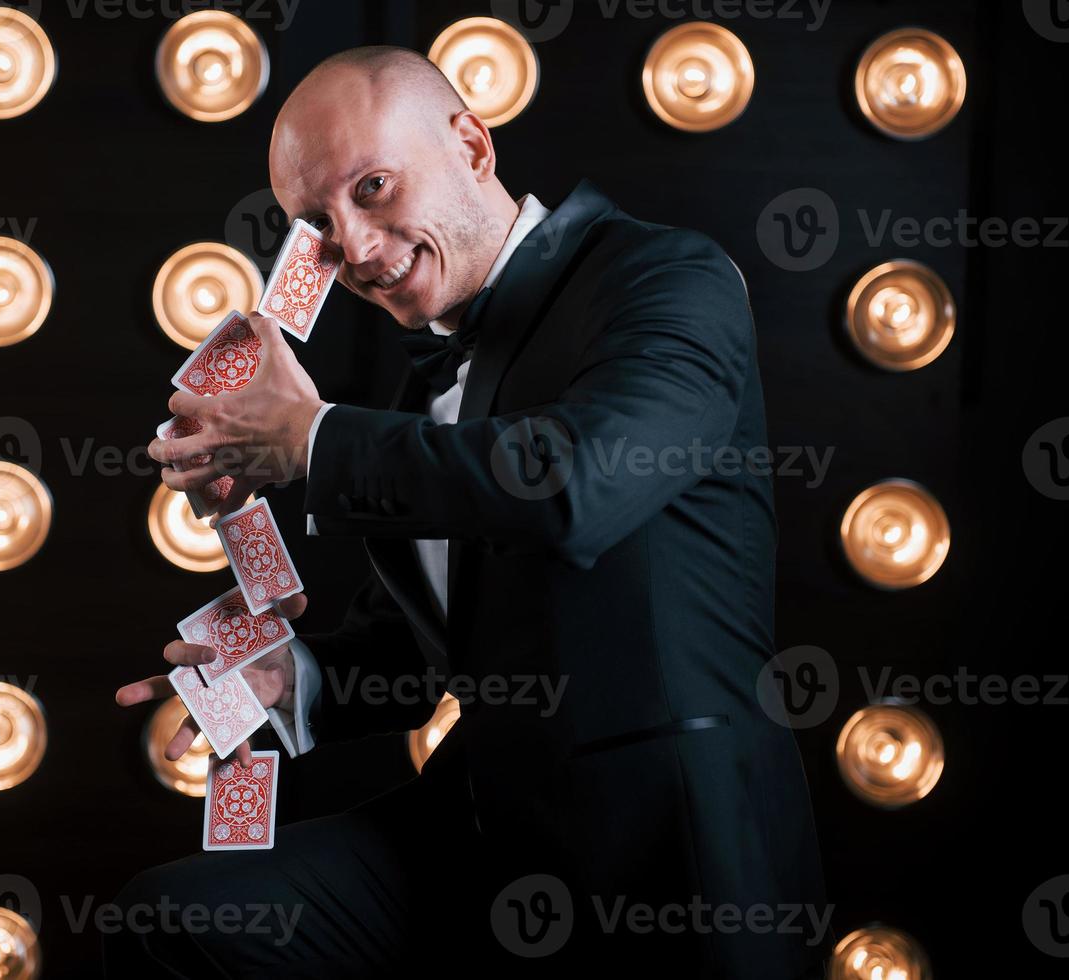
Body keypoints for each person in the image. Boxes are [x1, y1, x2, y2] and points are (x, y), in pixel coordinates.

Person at [111, 45, 830, 978]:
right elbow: (437, 648)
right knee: (178, 919)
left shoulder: (666, 277)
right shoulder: (424, 397)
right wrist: (296, 677)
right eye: (317, 226)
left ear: (472, 144)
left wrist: (314, 443)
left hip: (666, 843)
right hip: (477, 823)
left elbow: (575, 488)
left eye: (372, 187)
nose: (356, 249)